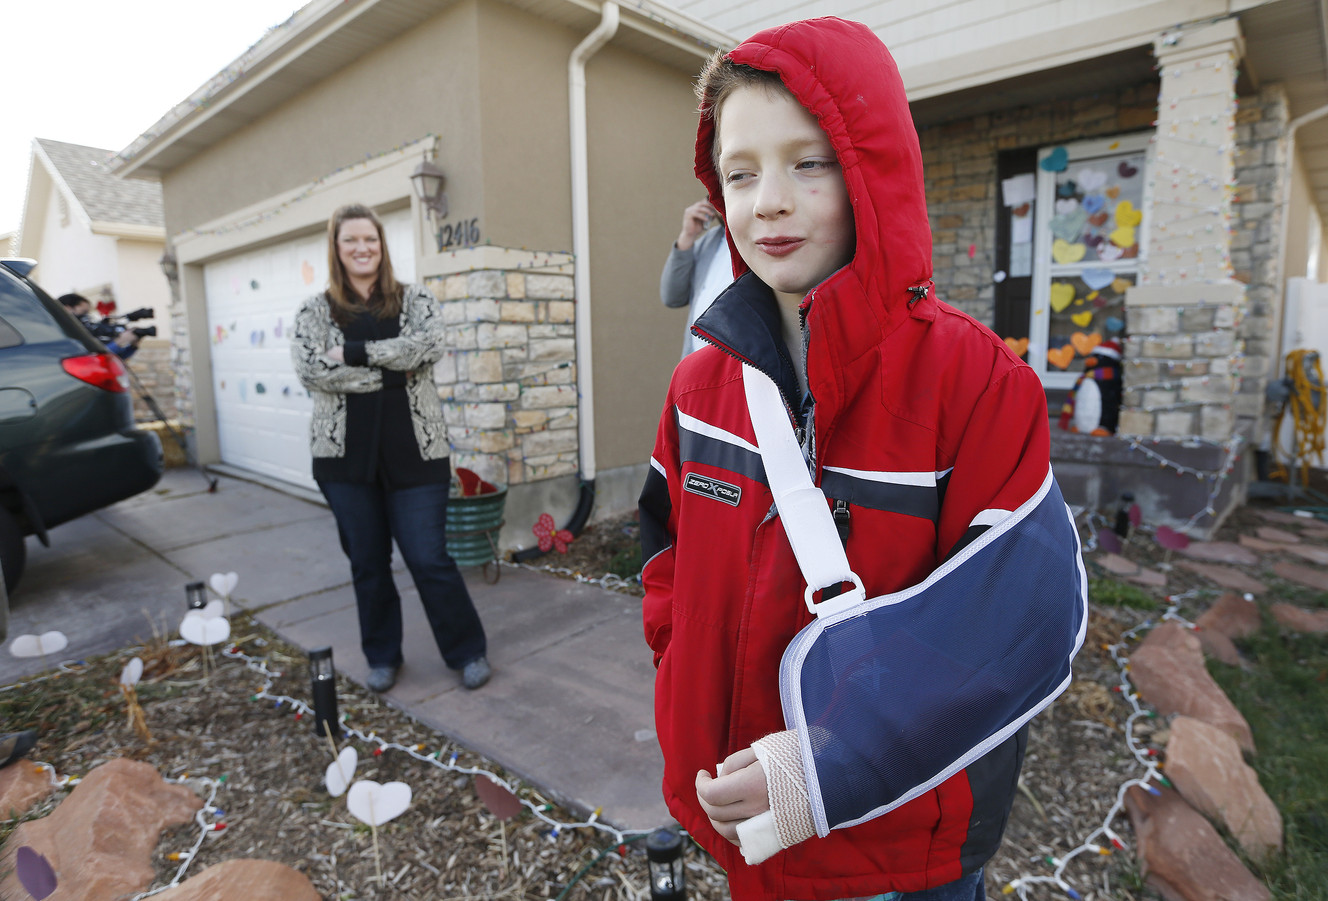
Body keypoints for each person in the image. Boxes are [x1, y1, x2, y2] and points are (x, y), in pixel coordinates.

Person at [638, 18, 1086, 901]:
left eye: (810, 162)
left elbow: (1019, 622)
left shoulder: (977, 384)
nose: (767, 199)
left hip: (905, 846)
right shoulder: (697, 386)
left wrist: (818, 770)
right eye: (740, 171)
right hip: (745, 826)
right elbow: (663, 552)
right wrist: (681, 678)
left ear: (875, 168)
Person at [291, 203, 490, 694]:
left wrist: (355, 355)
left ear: (382, 246)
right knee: (367, 562)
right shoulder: (315, 311)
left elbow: (429, 347)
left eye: (370, 240)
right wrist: (391, 374)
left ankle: (467, 650)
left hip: (416, 454)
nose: (362, 249)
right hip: (343, 461)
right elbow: (314, 371)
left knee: (429, 558)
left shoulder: (414, 299)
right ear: (337, 250)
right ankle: (382, 655)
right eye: (351, 241)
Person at [660, 200, 731, 357]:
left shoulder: (757, 241)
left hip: (737, 367)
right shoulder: (710, 240)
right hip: (697, 363)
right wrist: (687, 236)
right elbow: (672, 297)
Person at [59, 293, 142, 360]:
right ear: (67, 309)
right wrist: (119, 341)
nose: (86, 317)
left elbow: (118, 358)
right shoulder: (61, 334)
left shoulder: (87, 332)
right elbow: (92, 360)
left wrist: (133, 345)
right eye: (83, 312)